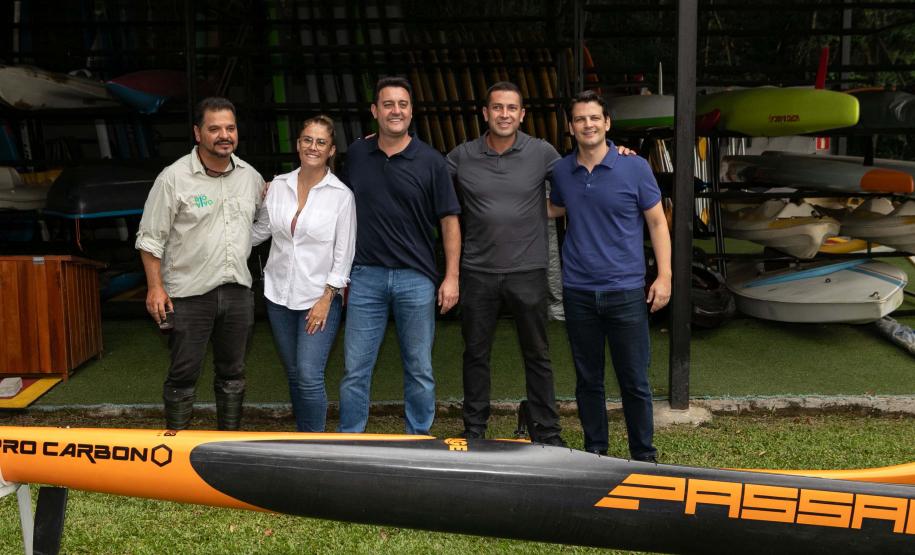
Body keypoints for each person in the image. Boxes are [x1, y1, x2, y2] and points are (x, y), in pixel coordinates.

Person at [548, 90, 671, 462]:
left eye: (594, 118)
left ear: (607, 123)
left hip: (625, 291)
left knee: (634, 380)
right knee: (588, 380)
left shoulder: (634, 167)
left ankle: (643, 456)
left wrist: (664, 276)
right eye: (580, 119)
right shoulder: (561, 172)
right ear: (571, 127)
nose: (588, 124)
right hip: (579, 291)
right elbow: (552, 208)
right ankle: (595, 453)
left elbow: (657, 223)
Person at [338, 76, 461, 435]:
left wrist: (451, 276)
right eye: (388, 104)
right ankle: (350, 440)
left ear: (411, 111)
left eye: (402, 104)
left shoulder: (432, 161)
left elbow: (450, 220)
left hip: (416, 278)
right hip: (365, 277)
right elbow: (334, 200)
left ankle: (418, 440)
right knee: (355, 369)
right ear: (375, 111)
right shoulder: (358, 154)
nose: (396, 111)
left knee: (419, 368)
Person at [445, 81, 565, 445]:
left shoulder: (542, 152)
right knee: (476, 353)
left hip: (527, 270)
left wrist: (617, 151)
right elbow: (425, 180)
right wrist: (376, 146)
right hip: (478, 272)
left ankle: (547, 432)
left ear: (522, 114)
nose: (504, 114)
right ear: (485, 113)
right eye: (497, 107)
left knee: (538, 354)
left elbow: (579, 179)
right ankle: (474, 430)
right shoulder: (461, 156)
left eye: (512, 108)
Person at [136, 96, 264, 431]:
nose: (224, 135)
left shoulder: (250, 177)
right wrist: (155, 288)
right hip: (189, 295)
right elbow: (150, 238)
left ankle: (228, 447)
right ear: (198, 133)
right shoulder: (173, 178)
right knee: (183, 374)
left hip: (237, 293)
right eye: (215, 128)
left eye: (230, 128)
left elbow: (264, 222)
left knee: (233, 373)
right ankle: (176, 449)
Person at [251, 115, 356, 432]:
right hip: (278, 295)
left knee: (309, 374)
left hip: (318, 299)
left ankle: (315, 445)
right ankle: (302, 438)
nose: (313, 146)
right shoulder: (278, 186)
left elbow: (344, 255)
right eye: (307, 140)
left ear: (331, 150)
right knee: (295, 373)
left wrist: (327, 299)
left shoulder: (341, 196)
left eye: (321, 142)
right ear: (298, 144)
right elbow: (261, 231)